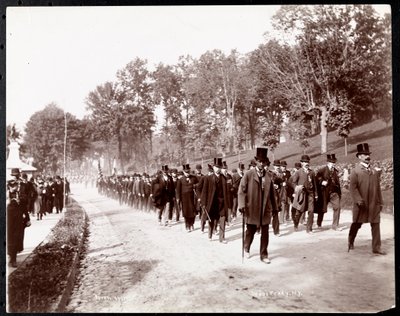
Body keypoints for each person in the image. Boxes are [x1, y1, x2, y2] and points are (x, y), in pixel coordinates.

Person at [238, 147, 278, 264]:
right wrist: (241, 205)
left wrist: (275, 207)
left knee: (265, 233)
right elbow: (241, 191)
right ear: (256, 161)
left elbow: (272, 194)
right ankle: (246, 247)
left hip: (265, 209)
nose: (261, 164)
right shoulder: (248, 174)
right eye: (259, 161)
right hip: (252, 208)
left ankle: (264, 254)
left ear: (266, 162)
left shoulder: (268, 176)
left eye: (263, 162)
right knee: (250, 231)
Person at [348, 143, 385, 255]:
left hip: (374, 202)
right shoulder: (355, 171)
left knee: (376, 223)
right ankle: (351, 240)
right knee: (357, 223)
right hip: (361, 203)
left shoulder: (374, 171)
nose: (367, 156)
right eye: (364, 155)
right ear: (359, 157)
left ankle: (376, 248)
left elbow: (378, 187)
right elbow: (353, 188)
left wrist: (381, 201)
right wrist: (358, 200)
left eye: (368, 154)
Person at [201, 158, 229, 243]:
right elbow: (204, 192)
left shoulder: (224, 178)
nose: (218, 169)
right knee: (211, 219)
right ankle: (210, 234)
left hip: (222, 203)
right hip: (212, 203)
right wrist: (204, 203)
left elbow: (226, 192)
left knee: (223, 219)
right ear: (213, 167)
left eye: (219, 167)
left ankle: (222, 238)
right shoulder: (208, 178)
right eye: (216, 167)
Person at [7, 168, 30, 267]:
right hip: (8, 212)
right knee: (9, 235)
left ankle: (13, 258)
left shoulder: (23, 186)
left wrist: (27, 217)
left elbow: (25, 202)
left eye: (16, 176)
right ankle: (11, 257)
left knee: (17, 235)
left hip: (18, 212)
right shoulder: (6, 185)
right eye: (13, 176)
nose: (14, 178)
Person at [290, 155, 318, 233]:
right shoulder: (298, 172)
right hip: (302, 194)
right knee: (299, 211)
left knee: (311, 211)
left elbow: (314, 184)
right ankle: (296, 224)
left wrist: (316, 194)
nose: (306, 163)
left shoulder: (312, 172)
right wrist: (297, 188)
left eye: (307, 162)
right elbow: (293, 183)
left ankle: (309, 228)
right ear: (301, 163)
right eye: (305, 162)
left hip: (311, 194)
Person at [316, 154, 342, 230]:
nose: (333, 164)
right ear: (327, 162)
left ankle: (335, 226)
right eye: (331, 162)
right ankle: (319, 224)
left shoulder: (336, 171)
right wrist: (321, 182)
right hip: (324, 193)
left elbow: (337, 182)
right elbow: (316, 178)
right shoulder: (322, 170)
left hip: (334, 193)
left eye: (334, 162)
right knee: (322, 209)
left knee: (337, 207)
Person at [176, 164, 199, 232]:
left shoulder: (194, 178)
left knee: (193, 212)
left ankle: (192, 224)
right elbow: (178, 190)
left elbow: (198, 185)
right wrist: (178, 198)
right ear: (183, 172)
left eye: (188, 172)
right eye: (186, 172)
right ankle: (187, 225)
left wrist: (195, 185)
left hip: (193, 198)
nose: (187, 173)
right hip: (184, 199)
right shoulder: (180, 180)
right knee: (186, 213)